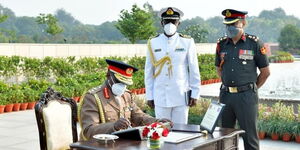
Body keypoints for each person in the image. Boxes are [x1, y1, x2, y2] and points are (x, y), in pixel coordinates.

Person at [215, 9, 270, 150]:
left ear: (243, 23)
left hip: (246, 97)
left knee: (249, 137)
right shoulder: (221, 44)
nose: (230, 28)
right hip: (226, 96)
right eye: (227, 25)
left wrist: (251, 88)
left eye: (234, 24)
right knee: (225, 136)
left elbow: (265, 72)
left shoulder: (254, 43)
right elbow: (219, 69)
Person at [78, 59, 172, 141]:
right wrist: (114, 126)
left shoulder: (126, 95)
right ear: (108, 75)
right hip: (99, 145)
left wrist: (157, 122)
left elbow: (139, 117)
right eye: (119, 82)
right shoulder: (93, 97)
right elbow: (88, 131)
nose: (122, 87)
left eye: (125, 83)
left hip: (123, 143)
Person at [145, 7, 201, 124]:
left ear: (178, 23)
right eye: (167, 21)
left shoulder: (187, 42)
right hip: (160, 96)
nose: (170, 24)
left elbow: (193, 69)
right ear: (162, 23)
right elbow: (149, 71)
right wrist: (149, 95)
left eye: (173, 21)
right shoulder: (153, 42)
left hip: (180, 95)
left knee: (180, 131)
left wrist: (195, 93)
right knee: (161, 131)